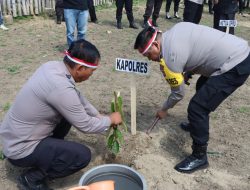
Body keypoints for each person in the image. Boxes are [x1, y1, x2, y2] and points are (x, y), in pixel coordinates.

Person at [0, 39, 122, 190]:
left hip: (12, 137)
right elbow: (85, 125)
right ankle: (30, 179)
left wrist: (98, 115)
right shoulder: (60, 88)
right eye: (92, 71)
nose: (91, 75)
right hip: (20, 150)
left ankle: (50, 150)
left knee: (67, 115)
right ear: (79, 68)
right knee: (82, 155)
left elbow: (77, 98)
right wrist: (109, 120)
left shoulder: (52, 67)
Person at [134, 23, 250, 173]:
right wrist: (187, 71)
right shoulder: (175, 30)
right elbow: (196, 50)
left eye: (148, 54)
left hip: (235, 64)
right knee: (202, 87)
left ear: (156, 44)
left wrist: (164, 109)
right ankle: (196, 125)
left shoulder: (170, 57)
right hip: (238, 49)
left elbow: (178, 93)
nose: (149, 59)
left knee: (197, 108)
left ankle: (199, 156)